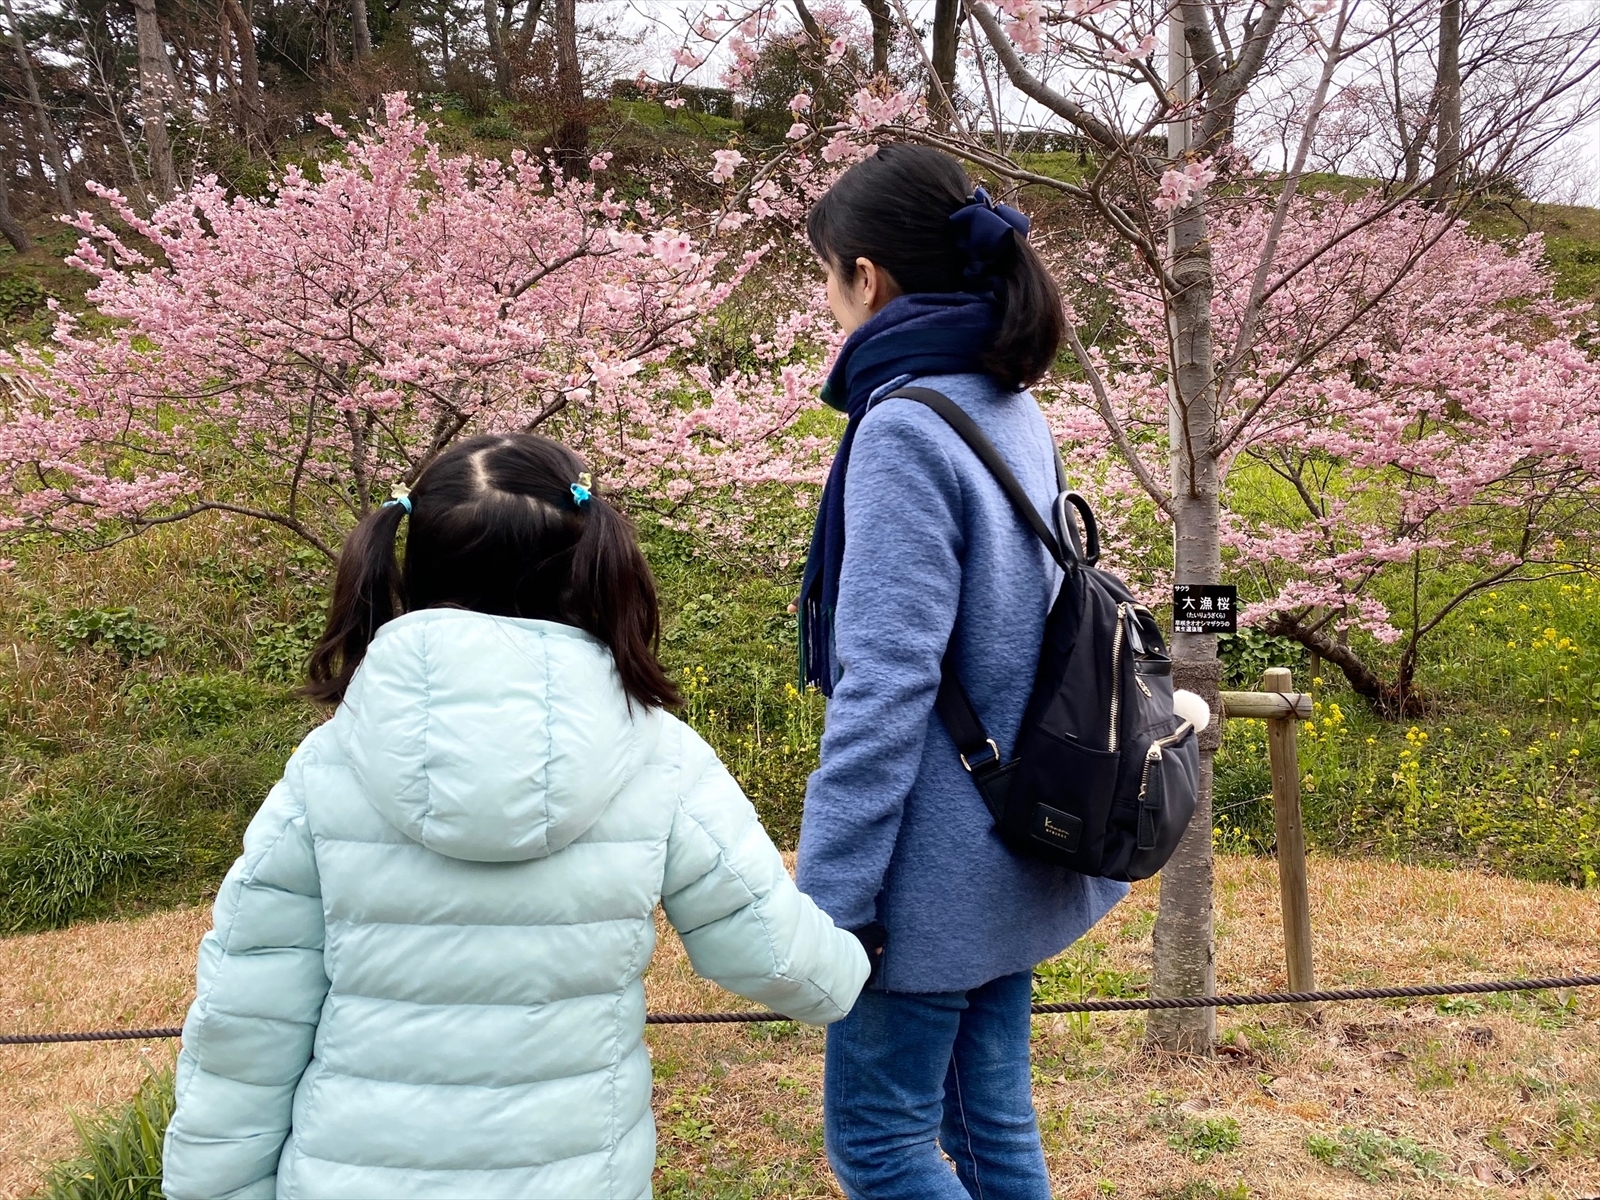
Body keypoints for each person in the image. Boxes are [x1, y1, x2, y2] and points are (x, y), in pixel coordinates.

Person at [161, 433, 870, 1200]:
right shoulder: (660, 756)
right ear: (589, 563)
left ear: (410, 561)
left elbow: (248, 1014)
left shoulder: (329, 766)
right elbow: (773, 953)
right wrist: (860, 963)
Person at [795, 144, 1130, 1199]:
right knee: (988, 1127)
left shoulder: (902, 424)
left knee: (884, 1148)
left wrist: (832, 897)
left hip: (929, 874)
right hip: (1012, 838)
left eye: (826, 279)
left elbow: (885, 685)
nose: (829, 304)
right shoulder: (1004, 402)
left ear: (867, 276)